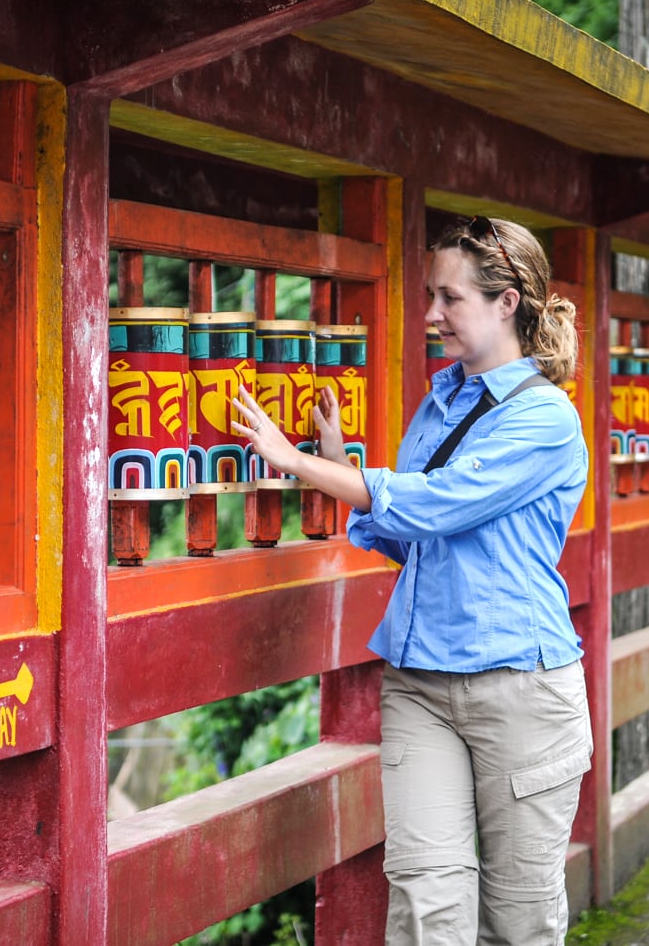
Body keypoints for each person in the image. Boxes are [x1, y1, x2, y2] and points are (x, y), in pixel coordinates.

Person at [232, 216, 592, 945]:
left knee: (521, 920)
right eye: (430, 296)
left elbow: (438, 503)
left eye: (449, 298)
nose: (431, 315)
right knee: (426, 908)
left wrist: (299, 463)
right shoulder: (440, 403)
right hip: (421, 683)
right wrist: (337, 458)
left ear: (507, 303)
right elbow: (413, 540)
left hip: (520, 688)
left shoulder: (547, 419)